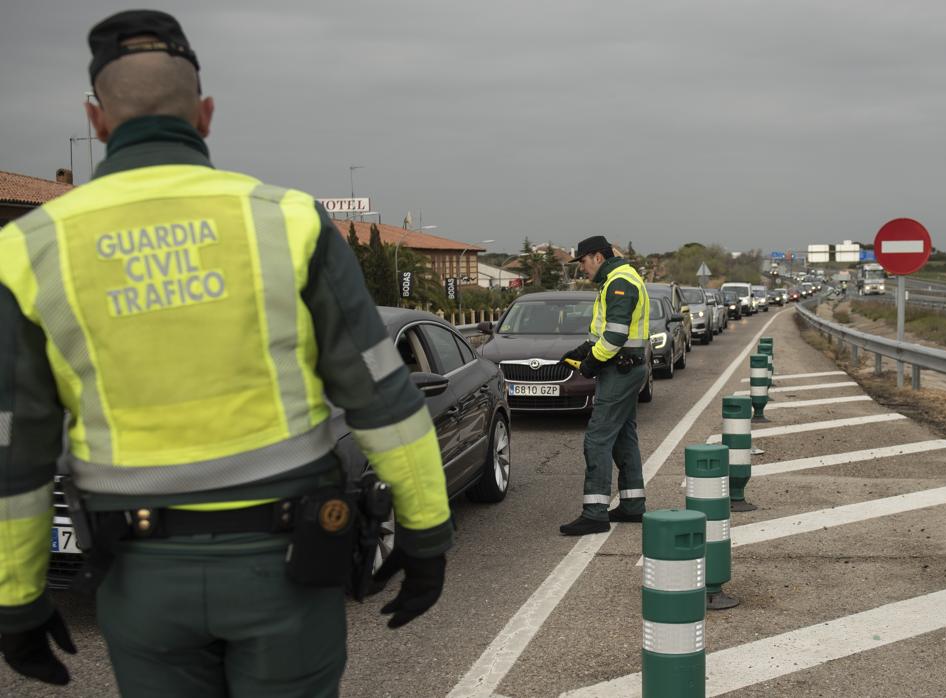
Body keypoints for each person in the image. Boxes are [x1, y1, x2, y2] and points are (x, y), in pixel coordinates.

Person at [0, 10, 452, 694]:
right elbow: (381, 394)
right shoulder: (288, 222)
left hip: (140, 579)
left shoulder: (30, 250)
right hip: (286, 569)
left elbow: (17, 449)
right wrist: (425, 535)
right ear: (205, 114)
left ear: (97, 120)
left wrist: (17, 598)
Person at [558, 236, 651, 535]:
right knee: (624, 436)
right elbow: (604, 332)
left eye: (583, 262)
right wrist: (584, 349)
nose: (582, 269)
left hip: (620, 369)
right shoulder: (618, 278)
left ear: (597, 257)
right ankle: (632, 505)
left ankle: (595, 513)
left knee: (597, 438)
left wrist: (590, 363)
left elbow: (615, 336)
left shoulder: (618, 283)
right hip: (627, 367)